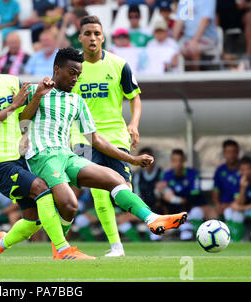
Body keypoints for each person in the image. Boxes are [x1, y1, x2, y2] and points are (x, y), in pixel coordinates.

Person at [22, 47, 188, 259]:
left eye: (78, 75)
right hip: (43, 156)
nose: (75, 78)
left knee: (116, 179)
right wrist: (37, 96)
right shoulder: (36, 92)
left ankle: (152, 219)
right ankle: (61, 249)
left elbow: (95, 139)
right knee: (70, 205)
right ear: (57, 69)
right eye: (72, 72)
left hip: (67, 156)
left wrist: (133, 159)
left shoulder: (77, 101)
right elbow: (22, 122)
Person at [0, 41, 95, 260]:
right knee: (41, 189)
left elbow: (28, 114)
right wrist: (11, 106)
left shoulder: (11, 81)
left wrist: (38, 98)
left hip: (22, 159)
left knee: (33, 222)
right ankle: (63, 250)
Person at [70, 16, 144, 256]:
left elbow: (134, 98)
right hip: (83, 138)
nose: (92, 38)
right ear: (80, 38)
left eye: (96, 34)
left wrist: (133, 124)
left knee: (123, 191)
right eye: (87, 33)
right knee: (98, 192)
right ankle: (116, 247)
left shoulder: (120, 64)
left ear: (103, 37)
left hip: (115, 136)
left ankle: (150, 220)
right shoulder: (73, 67)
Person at [156, 149, 215, 240]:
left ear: (184, 161)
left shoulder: (193, 174)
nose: (178, 163)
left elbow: (193, 198)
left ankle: (201, 237)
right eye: (175, 160)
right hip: (174, 211)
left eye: (180, 160)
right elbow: (160, 196)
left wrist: (174, 199)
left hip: (191, 208)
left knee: (196, 213)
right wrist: (159, 192)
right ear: (171, 161)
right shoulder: (166, 175)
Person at [173, 0, 218, 71]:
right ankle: (183, 79)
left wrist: (194, 41)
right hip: (187, 38)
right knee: (174, 50)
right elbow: (179, 21)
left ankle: (196, 80)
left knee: (193, 50)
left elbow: (205, 20)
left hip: (208, 38)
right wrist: (172, 42)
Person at [227, 156, 251, 242]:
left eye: (248, 169)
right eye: (243, 170)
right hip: (246, 210)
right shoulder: (237, 180)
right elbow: (239, 203)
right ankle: (236, 241)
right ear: (240, 171)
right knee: (232, 213)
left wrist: (241, 208)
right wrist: (242, 188)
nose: (246, 172)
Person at [132, 147, 165, 241]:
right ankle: (139, 241)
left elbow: (165, 194)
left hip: (159, 208)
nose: (146, 162)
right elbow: (137, 196)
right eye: (143, 160)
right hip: (145, 208)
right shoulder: (137, 176)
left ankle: (156, 234)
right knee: (124, 218)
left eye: (148, 159)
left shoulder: (161, 173)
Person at [212, 140, 240, 218]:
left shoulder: (243, 169)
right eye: (228, 152)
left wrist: (230, 205)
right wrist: (218, 205)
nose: (231, 155)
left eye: (234, 152)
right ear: (224, 153)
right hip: (222, 206)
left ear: (238, 153)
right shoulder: (219, 171)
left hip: (238, 205)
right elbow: (215, 192)